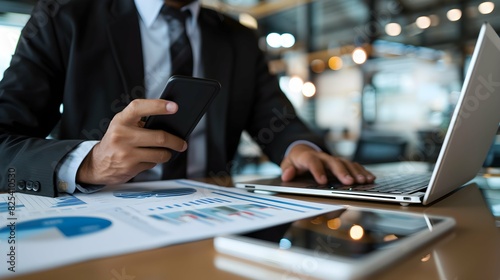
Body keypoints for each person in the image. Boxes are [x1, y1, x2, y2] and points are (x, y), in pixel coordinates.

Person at [0, 0, 375, 197]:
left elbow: (274, 118)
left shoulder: (238, 38)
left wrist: (299, 147)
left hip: (213, 220)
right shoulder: (63, 17)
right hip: (100, 221)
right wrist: (88, 163)